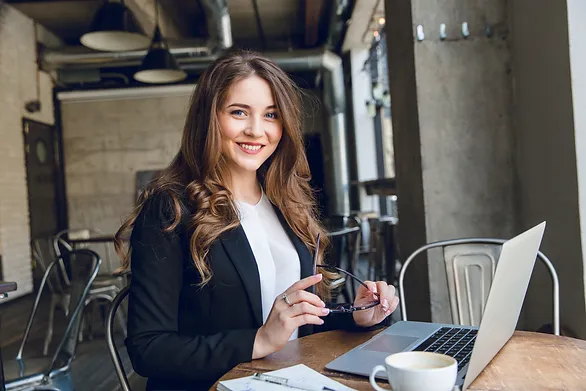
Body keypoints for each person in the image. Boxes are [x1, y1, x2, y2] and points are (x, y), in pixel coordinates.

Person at [114, 50, 399, 391]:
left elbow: (293, 323)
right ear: (209, 118)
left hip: (293, 379)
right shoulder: (170, 209)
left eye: (271, 115)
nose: (256, 130)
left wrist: (355, 315)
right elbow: (148, 350)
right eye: (238, 112)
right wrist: (259, 341)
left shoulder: (286, 203)